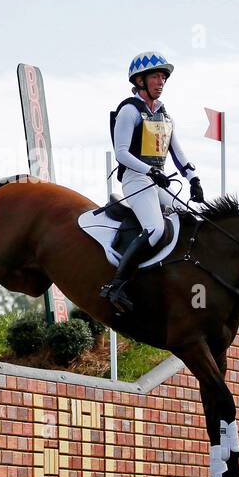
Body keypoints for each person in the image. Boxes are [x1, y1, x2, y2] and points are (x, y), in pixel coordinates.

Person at [100, 51, 204, 312]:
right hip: (136, 181)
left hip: (157, 182)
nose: (161, 82)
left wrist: (193, 178)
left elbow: (177, 153)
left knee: (191, 219)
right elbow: (121, 152)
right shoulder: (129, 111)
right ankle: (117, 285)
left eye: (163, 78)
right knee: (155, 230)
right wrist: (149, 170)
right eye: (156, 77)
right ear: (140, 80)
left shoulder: (165, 115)